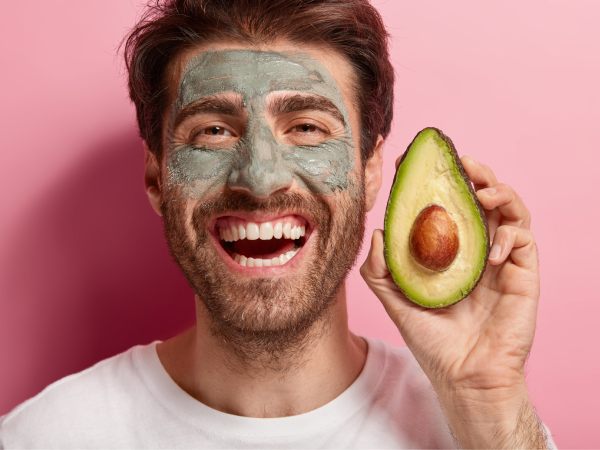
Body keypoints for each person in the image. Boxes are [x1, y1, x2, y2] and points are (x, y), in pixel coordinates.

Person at [0, 0, 554, 448]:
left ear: (368, 173)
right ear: (157, 178)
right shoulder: (47, 436)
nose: (261, 181)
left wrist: (487, 402)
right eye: (213, 131)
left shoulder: (484, 425)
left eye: (307, 127)